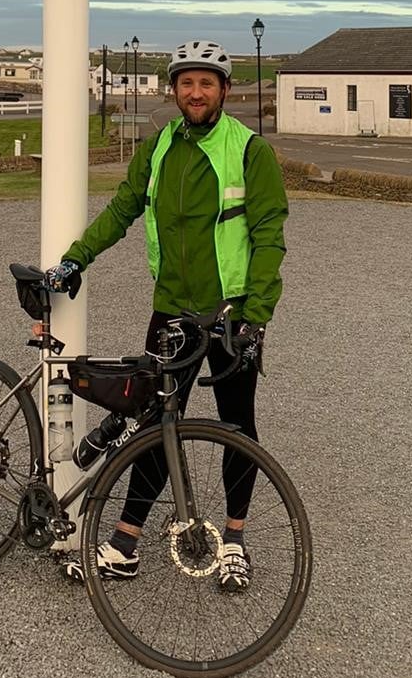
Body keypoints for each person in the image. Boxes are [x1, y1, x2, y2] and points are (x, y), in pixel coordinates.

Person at [46, 38, 288, 591]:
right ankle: (126, 544)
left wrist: (257, 314)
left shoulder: (250, 151)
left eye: (206, 83)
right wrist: (74, 260)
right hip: (172, 312)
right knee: (155, 424)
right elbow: (125, 208)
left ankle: (234, 540)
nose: (195, 92)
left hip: (230, 316)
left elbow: (269, 235)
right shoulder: (158, 149)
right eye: (186, 83)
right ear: (174, 90)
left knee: (237, 427)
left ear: (225, 90)